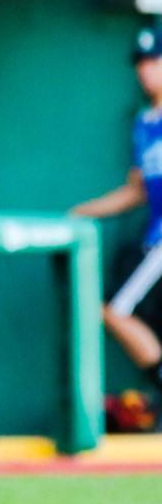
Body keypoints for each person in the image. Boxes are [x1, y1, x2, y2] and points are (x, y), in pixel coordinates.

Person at [71, 26, 162, 397]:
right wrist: (80, 212)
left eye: (154, 60)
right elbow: (136, 190)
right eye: (141, 63)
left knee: (113, 307)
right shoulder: (143, 124)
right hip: (151, 237)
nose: (146, 70)